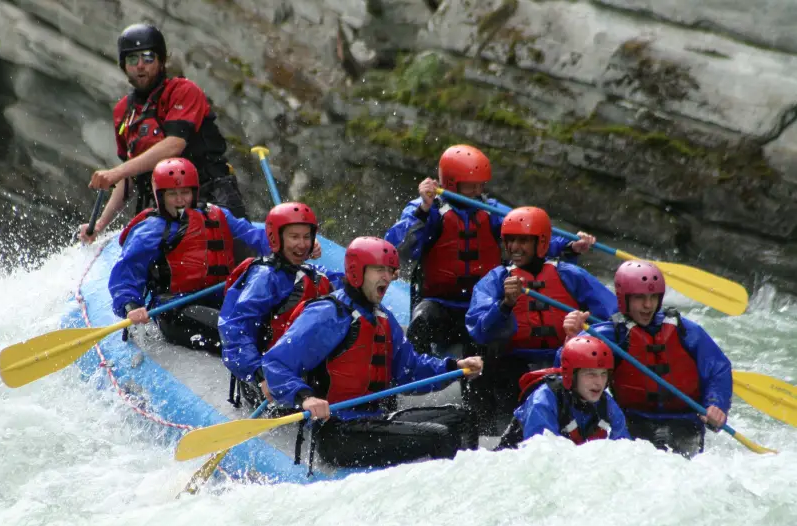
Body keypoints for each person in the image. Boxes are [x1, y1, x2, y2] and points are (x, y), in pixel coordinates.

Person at [262, 237, 483, 470]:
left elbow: (410, 368)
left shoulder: (382, 318)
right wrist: (305, 398)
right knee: (438, 436)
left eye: (390, 271)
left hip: (374, 421)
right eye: (379, 270)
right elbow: (275, 363)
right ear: (357, 271)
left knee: (464, 419)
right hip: (338, 431)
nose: (387, 278)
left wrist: (454, 368)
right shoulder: (329, 313)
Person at [384, 144, 596, 356]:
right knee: (423, 319)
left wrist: (568, 245)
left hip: (482, 304)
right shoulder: (427, 208)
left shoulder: (490, 209)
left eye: (481, 186)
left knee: (493, 330)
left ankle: (478, 382)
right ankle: (411, 376)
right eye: (471, 187)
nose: (477, 192)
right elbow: (398, 247)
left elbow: (529, 233)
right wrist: (423, 210)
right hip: (438, 303)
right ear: (450, 184)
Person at [79, 23, 248, 244]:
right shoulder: (123, 111)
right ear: (123, 65)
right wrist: (100, 224)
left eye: (148, 58)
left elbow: (174, 145)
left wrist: (116, 172)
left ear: (161, 61)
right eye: (132, 60)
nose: (140, 66)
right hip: (164, 209)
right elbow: (128, 178)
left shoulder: (183, 91)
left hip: (213, 199)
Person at [464, 206, 617, 434]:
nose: (515, 247)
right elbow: (480, 330)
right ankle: (486, 432)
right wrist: (505, 305)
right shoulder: (496, 279)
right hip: (514, 365)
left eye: (523, 241)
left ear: (542, 243)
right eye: (510, 240)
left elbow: (614, 317)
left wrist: (583, 332)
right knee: (482, 365)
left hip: (564, 360)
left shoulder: (569, 274)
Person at [561, 260, 731, 457]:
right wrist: (571, 339)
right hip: (633, 421)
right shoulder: (611, 334)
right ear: (624, 298)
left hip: (685, 422)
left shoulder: (685, 331)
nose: (648, 305)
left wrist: (716, 404)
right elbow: (567, 370)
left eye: (653, 297)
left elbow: (718, 368)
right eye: (640, 297)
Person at [108, 158, 270, 351]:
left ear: (194, 192)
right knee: (240, 331)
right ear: (160, 196)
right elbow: (126, 274)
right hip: (177, 308)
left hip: (221, 297)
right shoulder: (151, 230)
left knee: (268, 322)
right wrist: (131, 306)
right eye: (172, 194)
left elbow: (252, 235)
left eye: (185, 193)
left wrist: (286, 245)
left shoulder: (217, 214)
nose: (180, 200)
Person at [218, 202, 341, 408]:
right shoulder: (264, 277)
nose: (302, 245)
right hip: (265, 379)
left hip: (300, 372)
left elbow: (347, 286)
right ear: (276, 239)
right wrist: (260, 375)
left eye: (306, 237)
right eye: (294, 237)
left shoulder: (313, 273)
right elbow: (234, 330)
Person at [496, 337, 629, 449]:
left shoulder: (607, 404)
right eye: (591, 374)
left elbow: (626, 450)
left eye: (603, 374)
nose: (599, 382)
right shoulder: (543, 401)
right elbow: (540, 456)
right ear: (571, 376)